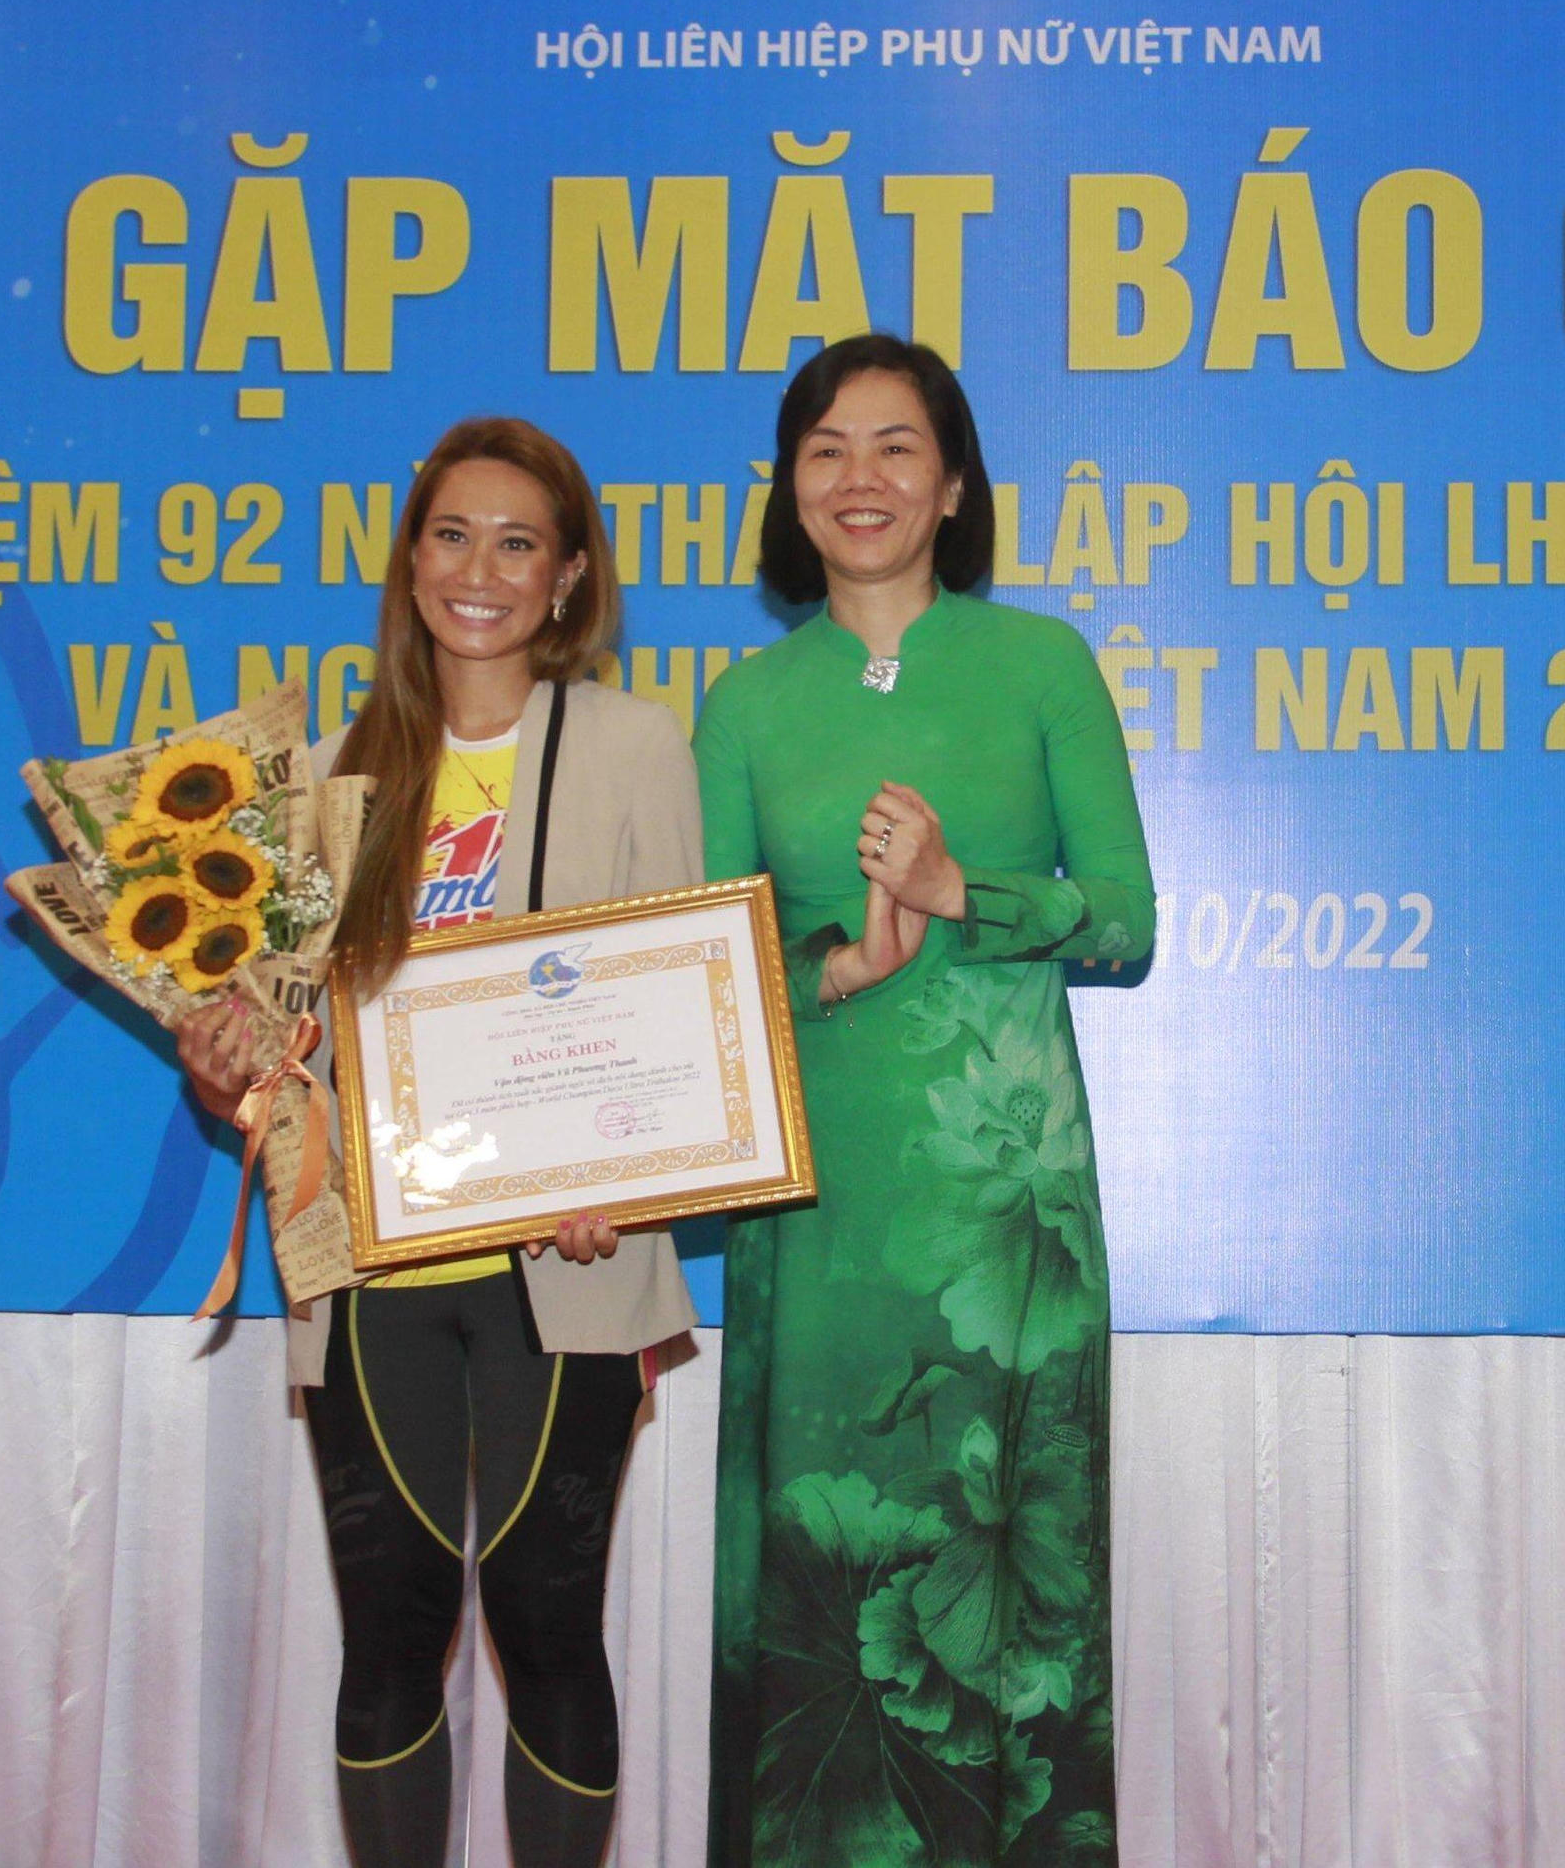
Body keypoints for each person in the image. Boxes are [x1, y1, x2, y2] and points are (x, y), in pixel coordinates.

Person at [178, 416, 700, 1868]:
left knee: (547, 1622)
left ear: (569, 576)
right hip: (372, 1265)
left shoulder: (634, 745)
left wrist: (622, 1178)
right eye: (454, 536)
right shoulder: (330, 772)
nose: (481, 570)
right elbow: (289, 1034)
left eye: (519, 543)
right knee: (390, 1636)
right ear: (411, 563)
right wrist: (230, 1061)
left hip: (566, 1264)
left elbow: (674, 1001)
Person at [697, 335, 1154, 1868]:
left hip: (1002, 1230)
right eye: (826, 448)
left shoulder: (1041, 665)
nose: (861, 478)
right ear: (790, 488)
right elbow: (710, 976)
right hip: (822, 1213)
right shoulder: (745, 704)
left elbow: (1129, 920)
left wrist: (967, 892)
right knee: (827, 1602)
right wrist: (839, 962)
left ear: (954, 485)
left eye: (897, 446)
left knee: (1004, 1595)